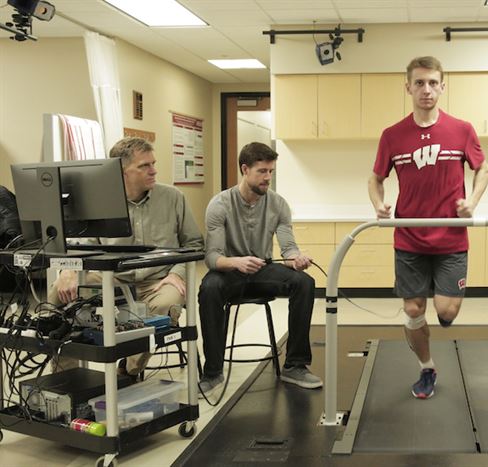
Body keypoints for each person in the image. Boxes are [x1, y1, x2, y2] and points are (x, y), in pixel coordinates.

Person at [368, 56, 488, 399]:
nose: (426, 89)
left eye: (433, 83)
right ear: (408, 87)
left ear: (442, 86)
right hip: (409, 238)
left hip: (451, 238)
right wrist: (378, 204)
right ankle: (427, 367)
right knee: (412, 309)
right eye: (419, 83)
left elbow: (483, 169)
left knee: (447, 311)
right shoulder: (392, 135)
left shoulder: (461, 129)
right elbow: (375, 179)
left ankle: (443, 313)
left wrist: (473, 203)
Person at [49, 137, 203, 378]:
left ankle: (128, 371)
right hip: (113, 279)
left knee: (166, 305)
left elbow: (194, 243)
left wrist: (177, 273)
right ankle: (64, 378)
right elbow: (79, 246)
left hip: (158, 281)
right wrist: (68, 270)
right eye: (144, 166)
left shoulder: (173, 197)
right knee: (59, 290)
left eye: (153, 163)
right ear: (121, 173)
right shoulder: (97, 202)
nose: (154, 170)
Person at [197, 142, 322, 397]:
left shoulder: (278, 204)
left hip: (262, 269)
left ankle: (295, 366)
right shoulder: (219, 204)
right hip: (228, 271)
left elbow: (288, 248)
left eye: (271, 172)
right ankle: (212, 372)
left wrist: (295, 258)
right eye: (262, 171)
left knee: (304, 283)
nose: (268, 178)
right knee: (208, 288)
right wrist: (236, 262)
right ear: (245, 169)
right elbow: (212, 257)